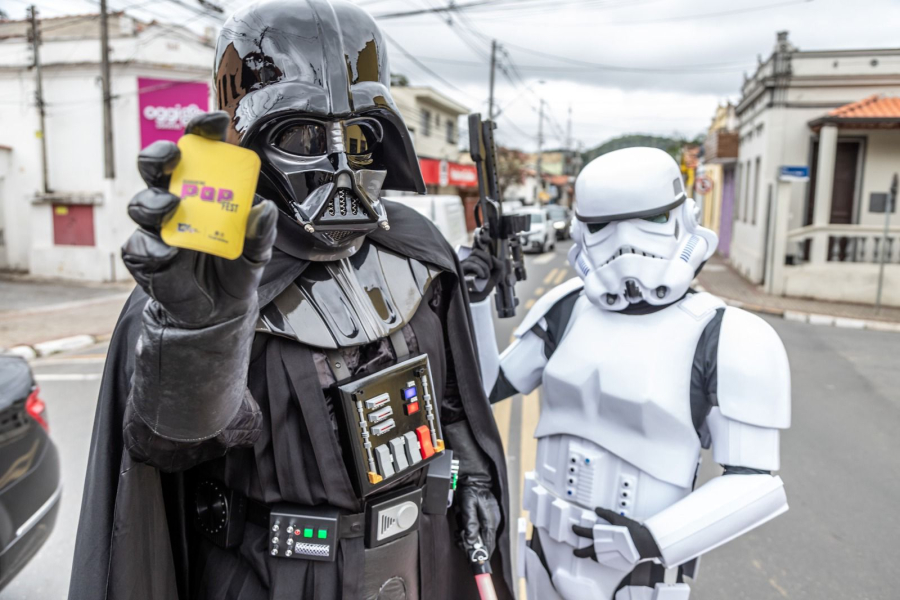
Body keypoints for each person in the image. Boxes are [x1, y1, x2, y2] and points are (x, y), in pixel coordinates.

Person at [68, 1, 513, 599]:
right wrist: (201, 343)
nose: (338, 163)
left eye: (358, 137)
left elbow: (451, 397)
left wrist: (477, 477)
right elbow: (167, 448)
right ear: (246, 143)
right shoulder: (208, 280)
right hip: (270, 575)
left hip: (417, 561)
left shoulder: (418, 249)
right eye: (302, 134)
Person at [463, 147, 791, 600]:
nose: (624, 242)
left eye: (650, 219)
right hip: (541, 554)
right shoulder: (565, 308)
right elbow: (484, 388)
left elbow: (755, 482)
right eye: (601, 226)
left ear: (684, 217)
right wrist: (475, 301)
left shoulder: (727, 335)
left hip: (636, 572)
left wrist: (650, 539)